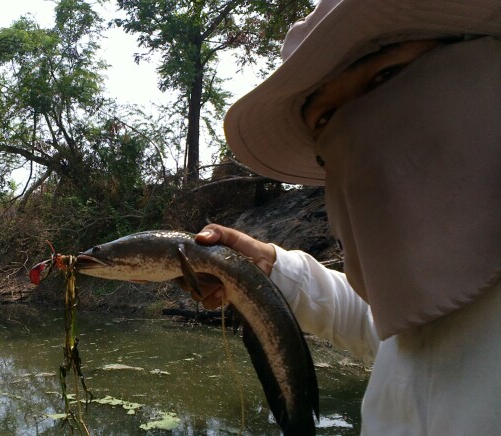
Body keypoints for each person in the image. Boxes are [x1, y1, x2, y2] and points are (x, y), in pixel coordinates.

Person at [191, 0, 501, 434]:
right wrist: (273, 269)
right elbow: (388, 327)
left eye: (386, 75)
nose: (360, 133)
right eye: (327, 118)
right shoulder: (439, 293)